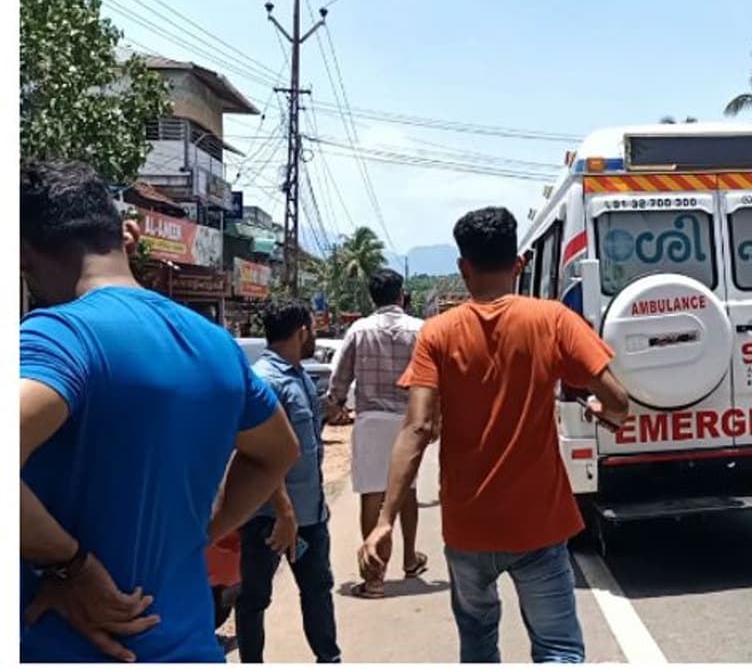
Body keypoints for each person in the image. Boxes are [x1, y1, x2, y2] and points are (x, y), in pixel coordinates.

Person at [19, 159, 299, 662]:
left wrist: (69, 565)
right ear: (124, 234)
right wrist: (201, 534)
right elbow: (279, 452)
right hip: (189, 644)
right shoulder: (216, 344)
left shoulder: (57, 336)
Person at [359, 207, 630, 663]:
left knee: (479, 644)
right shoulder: (553, 319)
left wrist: (386, 520)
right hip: (539, 525)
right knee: (559, 648)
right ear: (519, 265)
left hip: (468, 528)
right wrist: (607, 413)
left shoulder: (437, 334)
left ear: (463, 267)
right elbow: (617, 399)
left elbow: (418, 427)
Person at [236, 299, 341, 663]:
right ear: (302, 332)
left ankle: (329, 659)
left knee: (317, 591)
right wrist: (284, 513)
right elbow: (262, 454)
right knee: (254, 598)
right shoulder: (265, 381)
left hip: (309, 514)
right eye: (312, 329)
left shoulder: (299, 376)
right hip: (270, 519)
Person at [327, 268, 427, 599]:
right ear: (401, 295)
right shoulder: (420, 330)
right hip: (408, 420)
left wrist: (336, 403)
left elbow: (340, 375)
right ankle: (410, 558)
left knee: (372, 493)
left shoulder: (359, 329)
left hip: (370, 419)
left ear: (372, 298)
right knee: (407, 489)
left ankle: (374, 578)